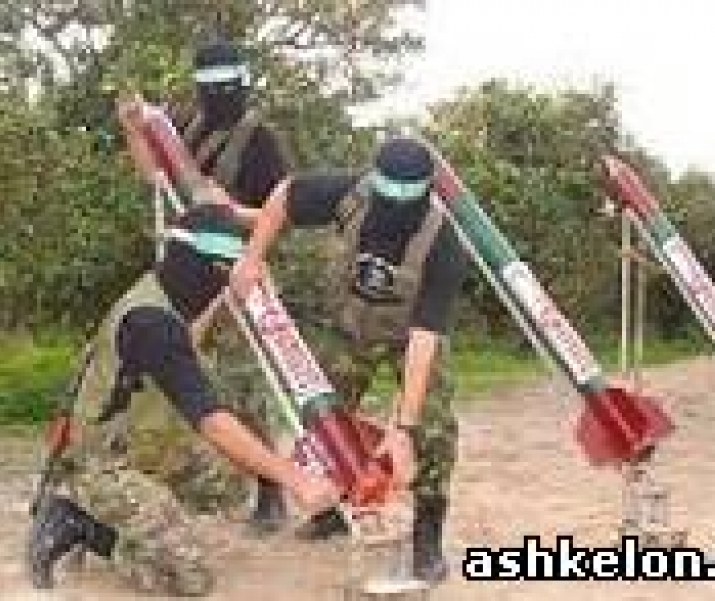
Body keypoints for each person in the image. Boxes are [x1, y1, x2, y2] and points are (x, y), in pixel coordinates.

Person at [25, 97, 338, 597]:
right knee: (190, 576)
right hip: (99, 460)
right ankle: (80, 522)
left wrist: (227, 297)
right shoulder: (151, 322)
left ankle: (139, 510)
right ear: (206, 267)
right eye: (221, 274)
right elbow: (211, 420)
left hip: (134, 441)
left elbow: (186, 343)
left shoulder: (162, 292)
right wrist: (295, 478)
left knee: (228, 483)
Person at [230, 136, 469, 584]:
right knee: (321, 417)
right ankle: (332, 511)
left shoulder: (444, 245)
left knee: (434, 427)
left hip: (407, 336)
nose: (393, 206)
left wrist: (404, 428)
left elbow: (423, 340)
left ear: (426, 192)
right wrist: (252, 257)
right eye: (386, 193)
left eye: (406, 197)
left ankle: (427, 536)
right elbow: (284, 195)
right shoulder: (347, 193)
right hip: (348, 327)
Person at [162, 33, 297, 534]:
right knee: (176, 374)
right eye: (209, 85)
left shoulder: (261, 141)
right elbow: (160, 179)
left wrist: (231, 210)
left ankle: (270, 493)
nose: (218, 95)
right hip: (184, 274)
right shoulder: (188, 129)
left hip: (240, 273)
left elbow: (282, 213)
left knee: (246, 384)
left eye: (227, 84)